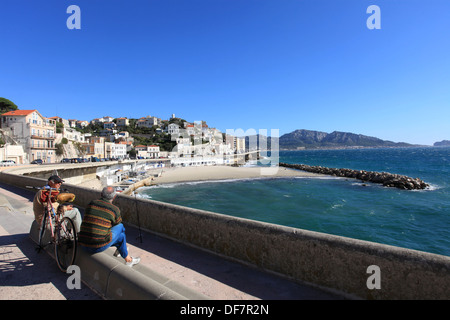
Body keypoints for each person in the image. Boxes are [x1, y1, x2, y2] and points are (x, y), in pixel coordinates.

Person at [78, 186, 140, 267]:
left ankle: (128, 259)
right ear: (114, 197)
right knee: (121, 228)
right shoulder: (114, 209)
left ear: (101, 194)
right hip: (96, 246)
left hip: (83, 243)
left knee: (121, 237)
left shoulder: (91, 203)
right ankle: (124, 254)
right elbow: (117, 223)